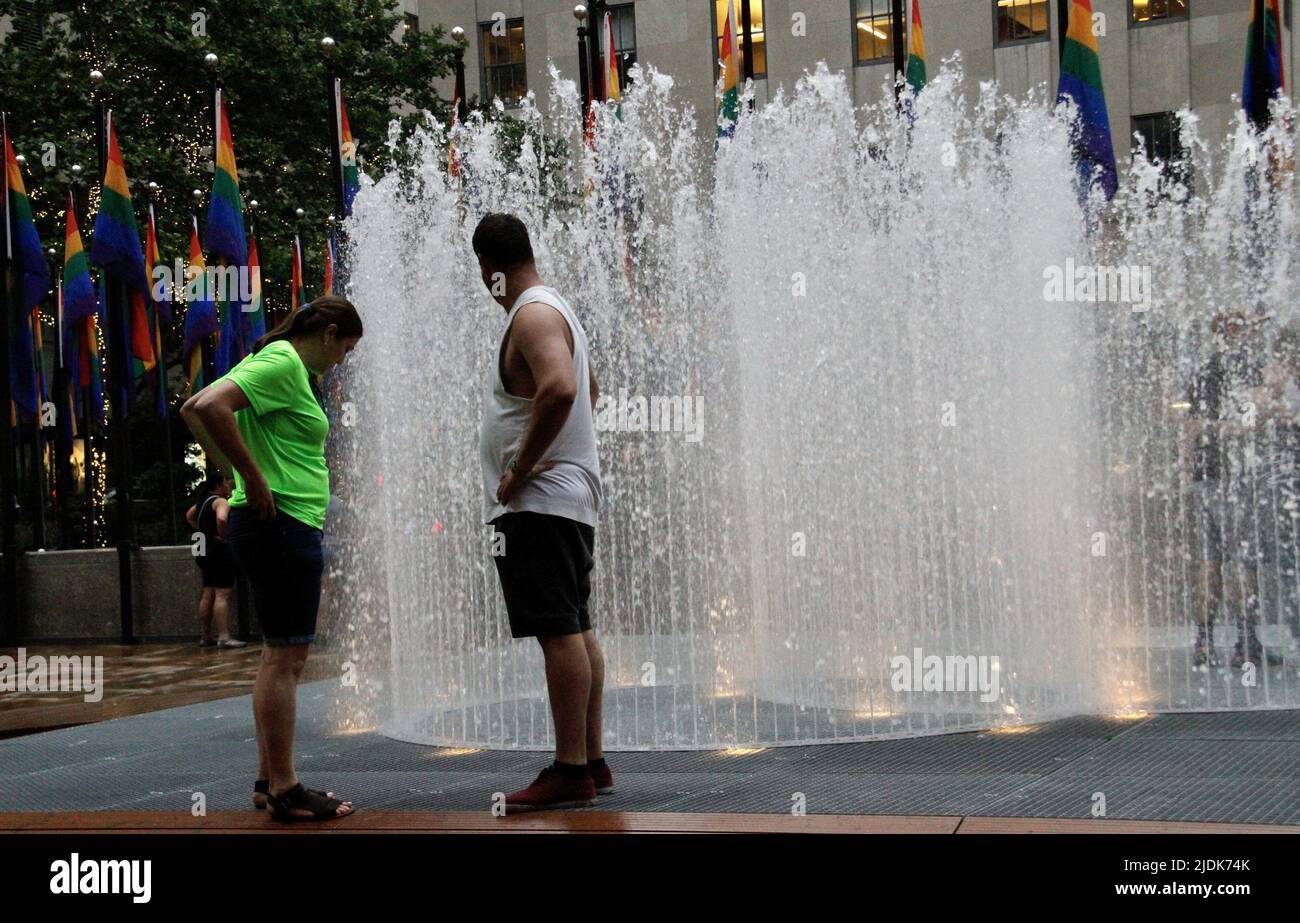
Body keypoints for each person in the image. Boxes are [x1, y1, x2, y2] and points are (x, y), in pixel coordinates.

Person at [181, 295, 362, 822]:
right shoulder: (284, 361)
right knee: (286, 659)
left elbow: (197, 407)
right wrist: (250, 479)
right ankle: (285, 787)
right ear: (327, 333)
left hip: (281, 525)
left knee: (278, 655)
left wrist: (240, 476)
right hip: (280, 526)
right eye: (345, 348)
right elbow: (206, 407)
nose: (343, 360)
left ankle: (268, 781)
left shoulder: (282, 363)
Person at [473, 213, 611, 812]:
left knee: (558, 630)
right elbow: (592, 387)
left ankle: (570, 768)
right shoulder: (557, 309)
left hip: (541, 504)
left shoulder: (529, 313)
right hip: (566, 500)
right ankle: (593, 759)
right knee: (575, 626)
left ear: (490, 269)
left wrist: (523, 467)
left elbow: (560, 388)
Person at [1184, 311, 1279, 669]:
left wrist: (1189, 472)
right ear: (1235, 331)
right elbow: (1251, 423)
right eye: (1248, 327)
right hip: (1236, 477)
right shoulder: (1247, 368)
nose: (1254, 332)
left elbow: (1190, 427)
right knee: (1243, 564)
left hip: (1205, 477)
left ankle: (1204, 644)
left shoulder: (1202, 370)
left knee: (1211, 562)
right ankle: (1245, 644)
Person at [185, 474, 246, 649]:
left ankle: (205, 636)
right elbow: (221, 518)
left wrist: (203, 530)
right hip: (219, 551)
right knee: (222, 594)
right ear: (219, 486)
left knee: (208, 592)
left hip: (203, 549)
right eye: (227, 483)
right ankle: (224, 636)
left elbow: (188, 516)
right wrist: (224, 536)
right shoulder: (220, 502)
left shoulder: (202, 502)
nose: (229, 486)